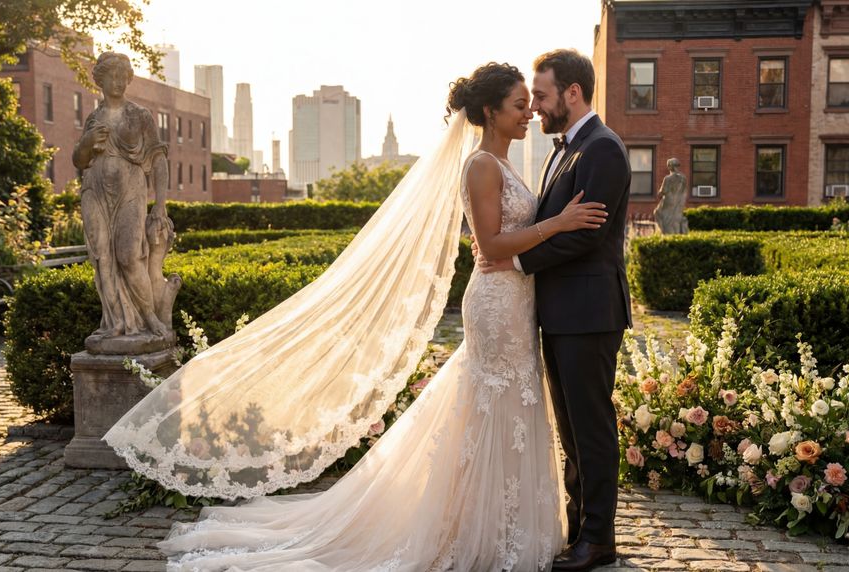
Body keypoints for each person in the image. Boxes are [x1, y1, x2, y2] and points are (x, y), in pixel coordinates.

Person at [108, 62, 607, 571]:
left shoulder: (508, 163)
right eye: (520, 105)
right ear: (489, 111)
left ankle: (499, 525)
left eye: (531, 103)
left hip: (516, 301)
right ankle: (474, 531)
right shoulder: (480, 165)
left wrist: (545, 233)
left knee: (510, 405)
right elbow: (490, 244)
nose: (530, 113)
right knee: (493, 403)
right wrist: (559, 223)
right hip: (496, 304)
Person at [478, 49, 632, 570]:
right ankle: (579, 529)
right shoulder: (565, 148)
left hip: (589, 314)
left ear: (573, 93)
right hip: (562, 313)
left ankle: (598, 541)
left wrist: (517, 260)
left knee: (590, 429)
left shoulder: (602, 150)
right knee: (571, 432)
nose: (535, 108)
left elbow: (585, 235)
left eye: (541, 97)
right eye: (529, 100)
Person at [73, 52, 174, 347]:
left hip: (131, 192)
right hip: (95, 193)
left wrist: (160, 204)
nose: (117, 82)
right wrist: (87, 142)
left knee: (129, 256)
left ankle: (149, 317)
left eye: (122, 76)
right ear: (100, 80)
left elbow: (158, 159)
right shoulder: (93, 118)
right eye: (111, 76)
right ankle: (115, 323)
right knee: (102, 257)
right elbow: (80, 160)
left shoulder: (140, 116)